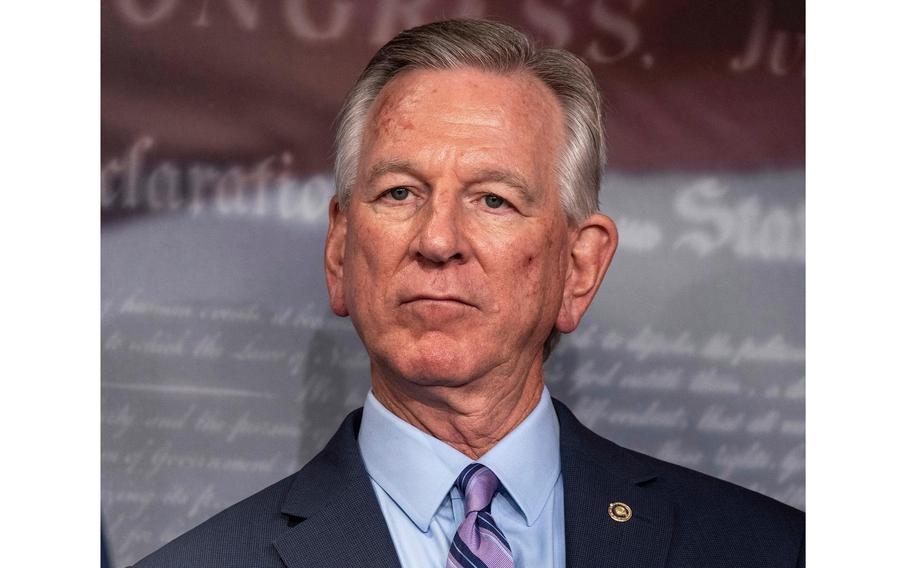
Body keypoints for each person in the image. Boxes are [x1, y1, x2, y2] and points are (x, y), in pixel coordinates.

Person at [133, 19, 804, 568]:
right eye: (399, 192)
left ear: (579, 267)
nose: (438, 239)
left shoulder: (770, 551)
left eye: (493, 199)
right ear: (340, 250)